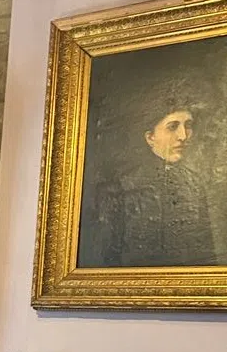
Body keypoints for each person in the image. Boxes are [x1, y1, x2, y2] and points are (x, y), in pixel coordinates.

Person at [80, 97, 217, 268]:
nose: (183, 136)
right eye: (172, 127)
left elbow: (206, 254)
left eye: (188, 125)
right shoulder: (120, 186)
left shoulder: (194, 184)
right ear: (150, 137)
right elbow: (105, 257)